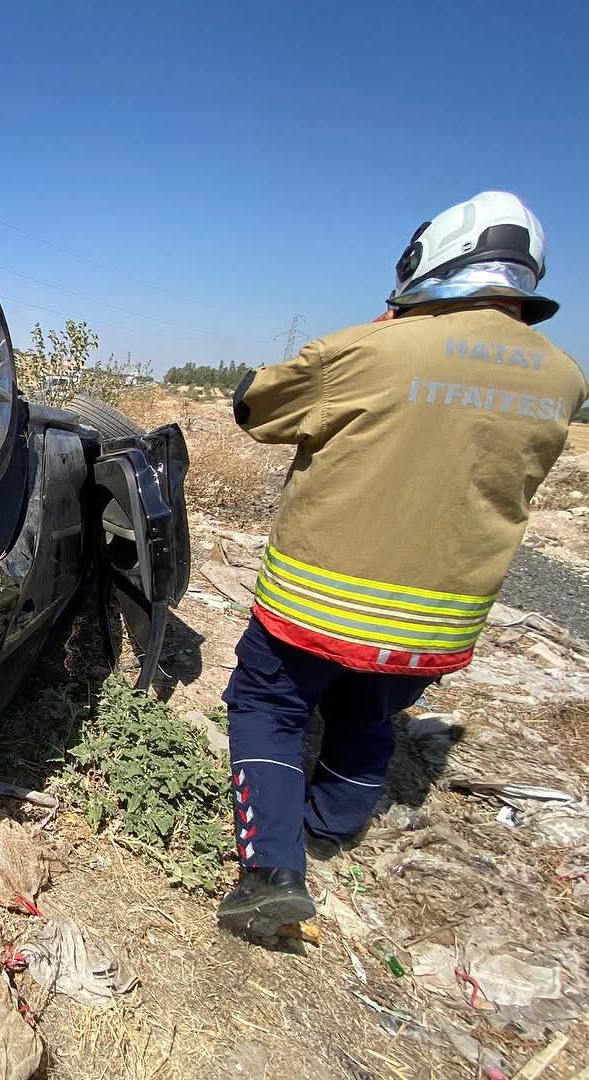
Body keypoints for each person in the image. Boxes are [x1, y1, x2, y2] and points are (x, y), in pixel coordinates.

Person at [218, 192, 587, 936]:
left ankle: (271, 876)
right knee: (372, 708)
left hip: (316, 604)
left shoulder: (371, 350)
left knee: (269, 706)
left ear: (431, 259)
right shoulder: (564, 377)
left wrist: (383, 331)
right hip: (437, 622)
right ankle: (334, 821)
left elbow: (254, 406)